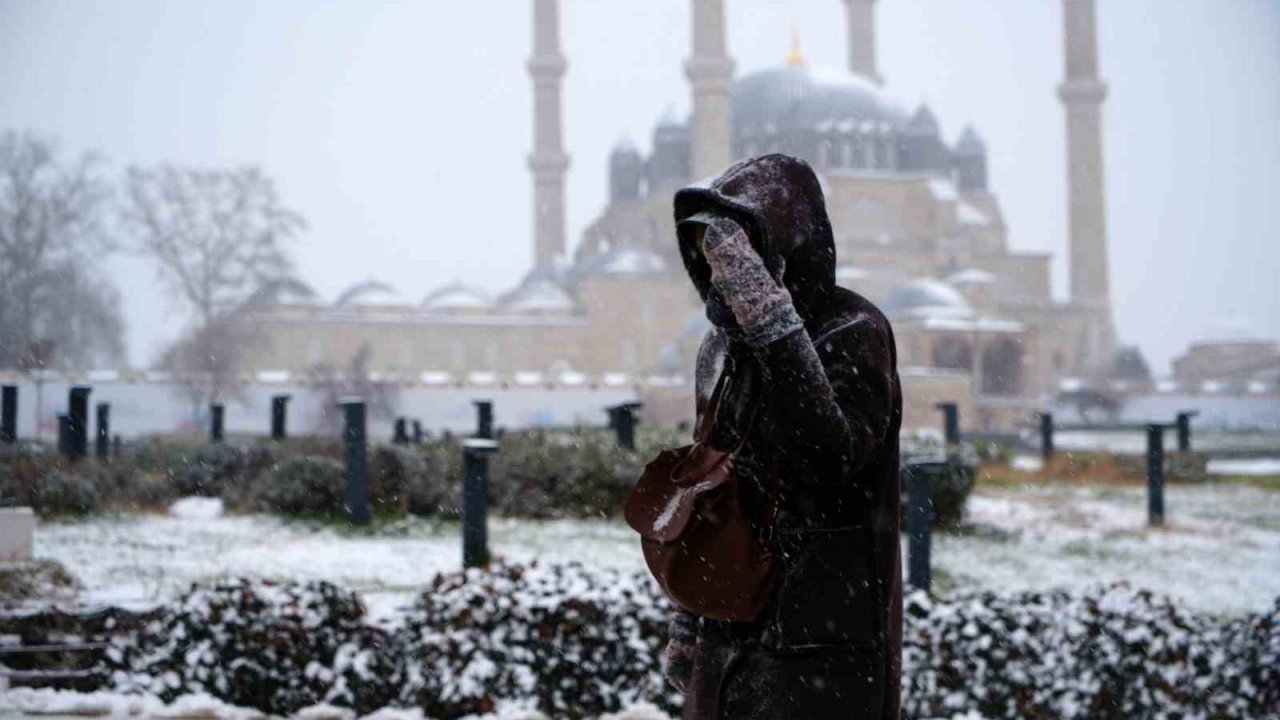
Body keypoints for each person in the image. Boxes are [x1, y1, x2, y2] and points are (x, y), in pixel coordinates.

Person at [663, 154, 903, 719]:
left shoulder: (853, 330)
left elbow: (826, 456)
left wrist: (771, 322)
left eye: (735, 257)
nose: (723, 274)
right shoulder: (721, 348)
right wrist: (688, 619)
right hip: (727, 633)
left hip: (821, 641)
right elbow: (708, 488)